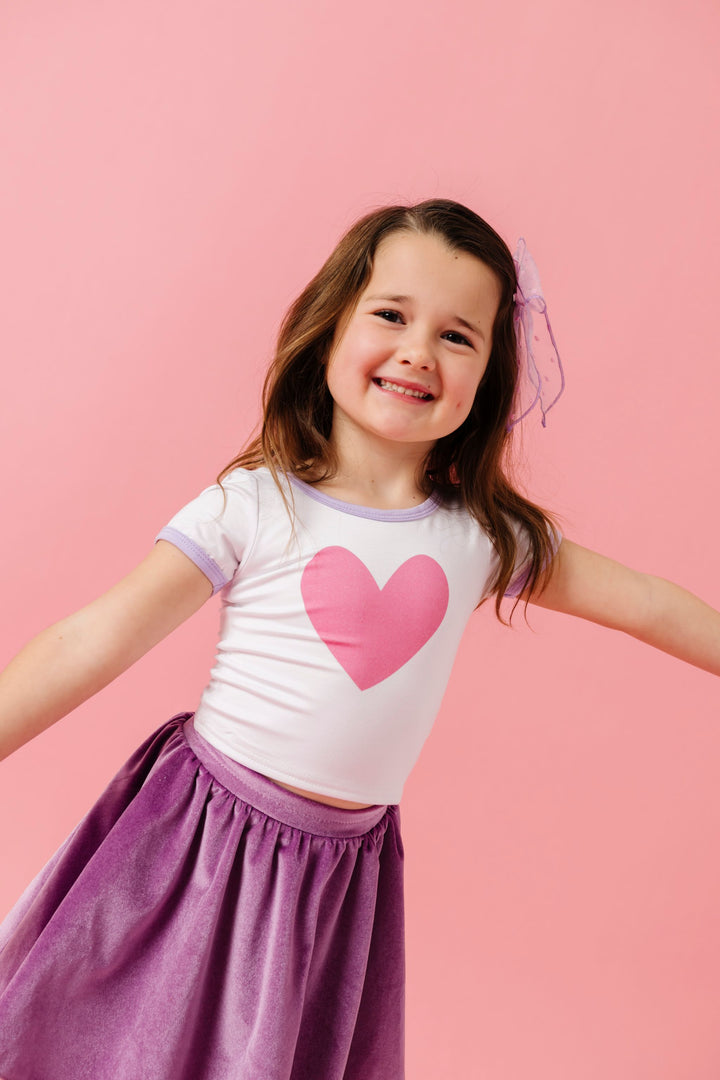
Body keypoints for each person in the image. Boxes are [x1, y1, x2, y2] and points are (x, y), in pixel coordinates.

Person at [0, 199, 718, 1080]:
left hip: (340, 875)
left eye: (459, 336)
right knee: (126, 1044)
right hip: (198, 841)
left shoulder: (480, 536)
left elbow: (647, 602)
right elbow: (93, 638)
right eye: (390, 315)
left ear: (488, 377)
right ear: (329, 328)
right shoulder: (257, 504)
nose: (419, 350)